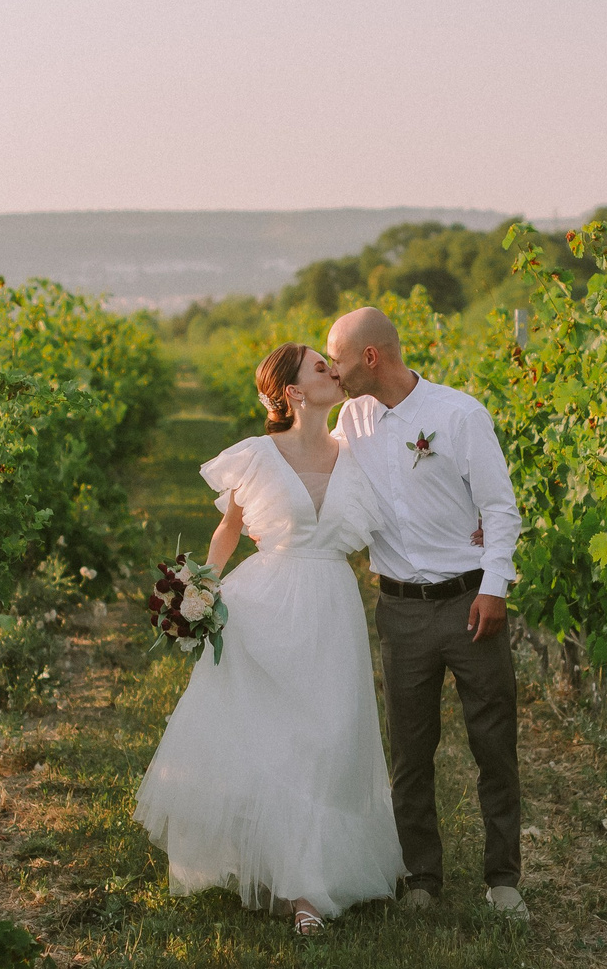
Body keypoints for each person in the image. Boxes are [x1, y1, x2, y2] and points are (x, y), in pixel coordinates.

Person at [132, 342, 407, 936]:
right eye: (320, 367)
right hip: (267, 603)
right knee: (278, 741)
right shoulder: (255, 456)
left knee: (329, 739)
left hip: (332, 605)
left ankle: (311, 872)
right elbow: (228, 529)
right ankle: (299, 888)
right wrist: (199, 590)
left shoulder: (355, 455)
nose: (335, 371)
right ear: (293, 392)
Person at [323, 307, 528, 921]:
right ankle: (421, 876)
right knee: (410, 750)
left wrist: (494, 587)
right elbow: (319, 475)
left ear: (370, 357)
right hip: (400, 609)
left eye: (336, 358)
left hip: (470, 602)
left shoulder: (458, 415)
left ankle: (503, 879)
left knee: (493, 742)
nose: (331, 371)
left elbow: (500, 507)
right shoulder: (349, 420)